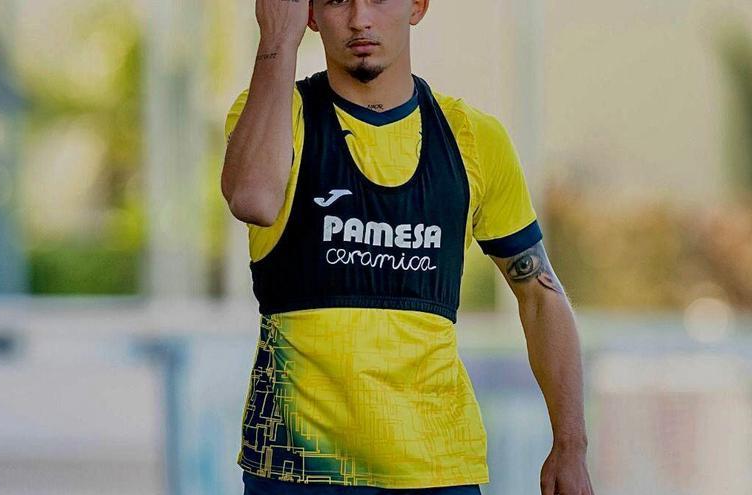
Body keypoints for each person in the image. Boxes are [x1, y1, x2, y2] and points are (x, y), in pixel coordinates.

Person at [221, 1, 595, 494]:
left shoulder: (474, 139)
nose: (359, 18)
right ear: (309, 14)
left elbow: (540, 295)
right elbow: (251, 198)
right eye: (336, 0)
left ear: (417, 7)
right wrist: (276, 40)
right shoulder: (275, 115)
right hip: (298, 470)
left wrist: (570, 444)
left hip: (439, 471)